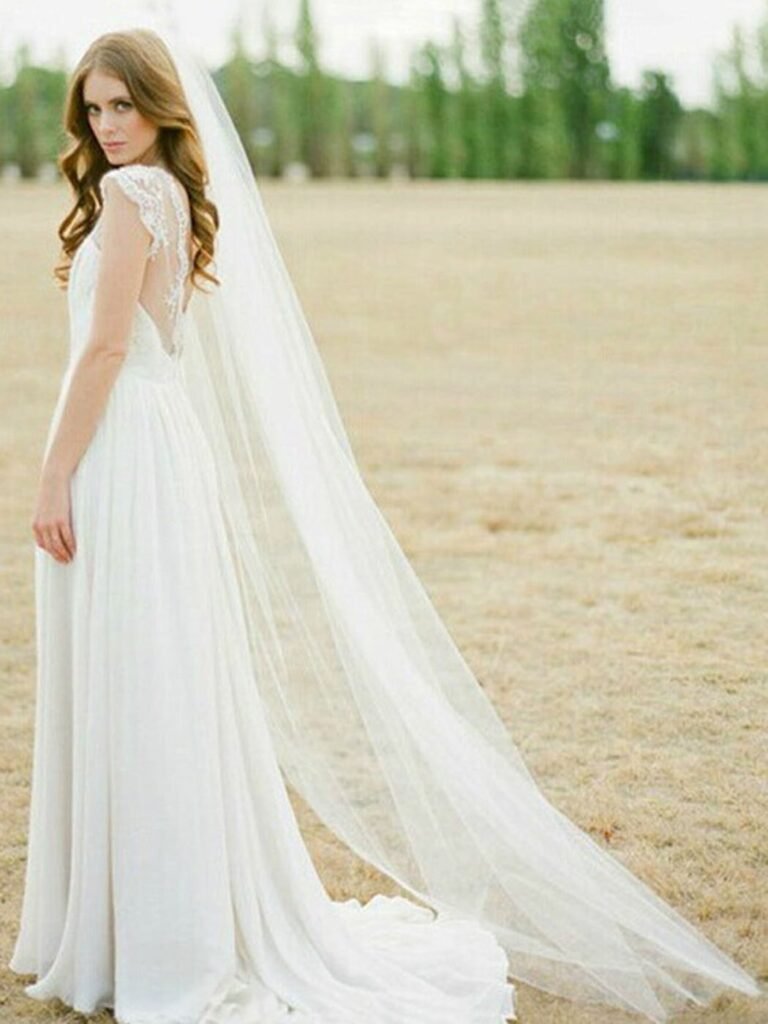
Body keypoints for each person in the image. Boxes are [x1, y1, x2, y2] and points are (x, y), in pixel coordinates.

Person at [8, 24, 763, 1024]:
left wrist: (53, 472)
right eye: (94, 109)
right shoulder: (178, 195)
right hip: (158, 445)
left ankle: (141, 931)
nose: (107, 126)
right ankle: (147, 916)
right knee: (160, 677)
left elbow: (105, 351)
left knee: (143, 673)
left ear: (159, 108)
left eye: (123, 106)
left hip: (122, 451)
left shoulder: (132, 194)